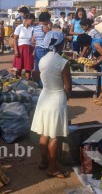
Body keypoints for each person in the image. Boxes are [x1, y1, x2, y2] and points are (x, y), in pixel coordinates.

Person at [30, 31, 72, 179]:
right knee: (54, 136)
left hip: (44, 97)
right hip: (57, 98)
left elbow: (37, 75)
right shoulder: (62, 62)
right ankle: (52, 168)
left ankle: (43, 162)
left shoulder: (42, 60)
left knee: (44, 133)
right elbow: (68, 87)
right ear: (61, 44)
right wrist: (66, 98)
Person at [13, 13, 35, 80]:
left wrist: (34, 51)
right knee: (19, 68)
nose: (32, 22)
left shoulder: (33, 28)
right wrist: (16, 50)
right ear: (27, 20)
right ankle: (18, 82)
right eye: (32, 20)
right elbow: (15, 39)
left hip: (29, 50)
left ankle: (27, 82)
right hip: (20, 49)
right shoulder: (19, 27)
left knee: (28, 69)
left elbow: (34, 40)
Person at [33, 12, 51, 84]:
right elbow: (51, 36)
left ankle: (37, 83)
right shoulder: (44, 27)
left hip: (37, 48)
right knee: (44, 67)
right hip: (43, 49)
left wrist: (39, 42)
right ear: (46, 20)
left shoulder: (35, 28)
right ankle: (43, 83)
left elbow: (33, 40)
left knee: (37, 67)